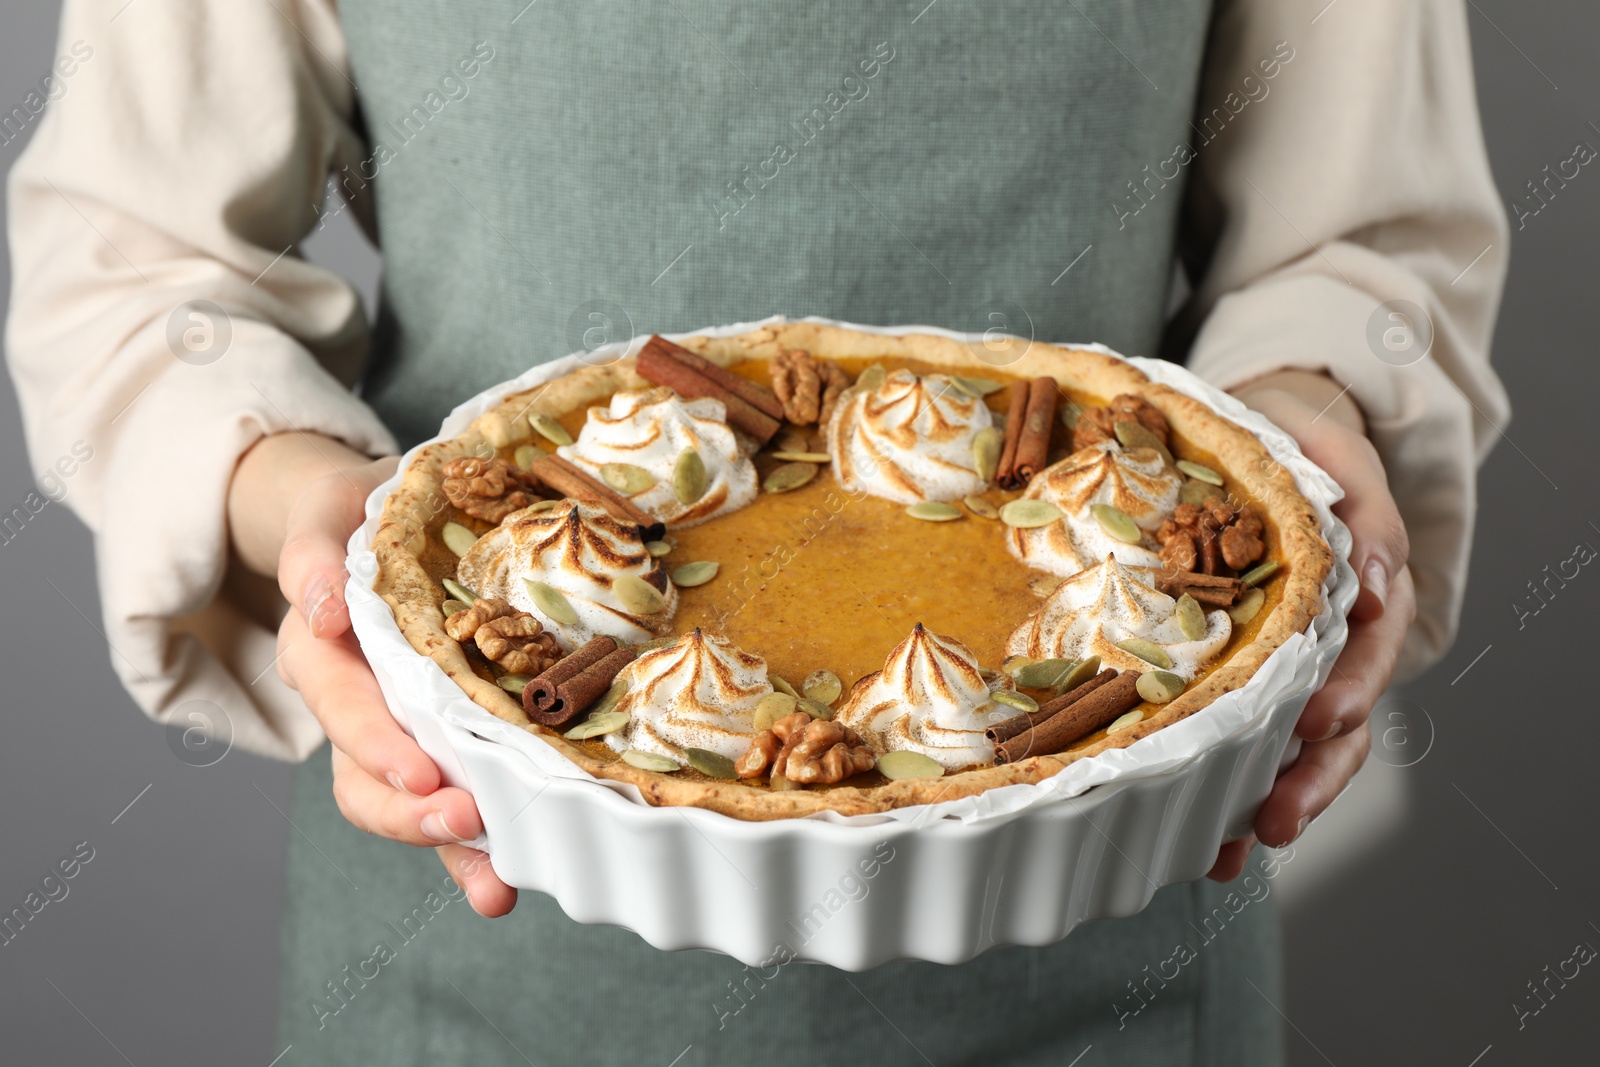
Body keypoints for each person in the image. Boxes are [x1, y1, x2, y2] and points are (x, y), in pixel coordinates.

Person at [6, 0, 1507, 1062]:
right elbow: (132, 264)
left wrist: (1313, 425)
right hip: (476, 931)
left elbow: (1356, 236)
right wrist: (307, 514)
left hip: (1115, 928)